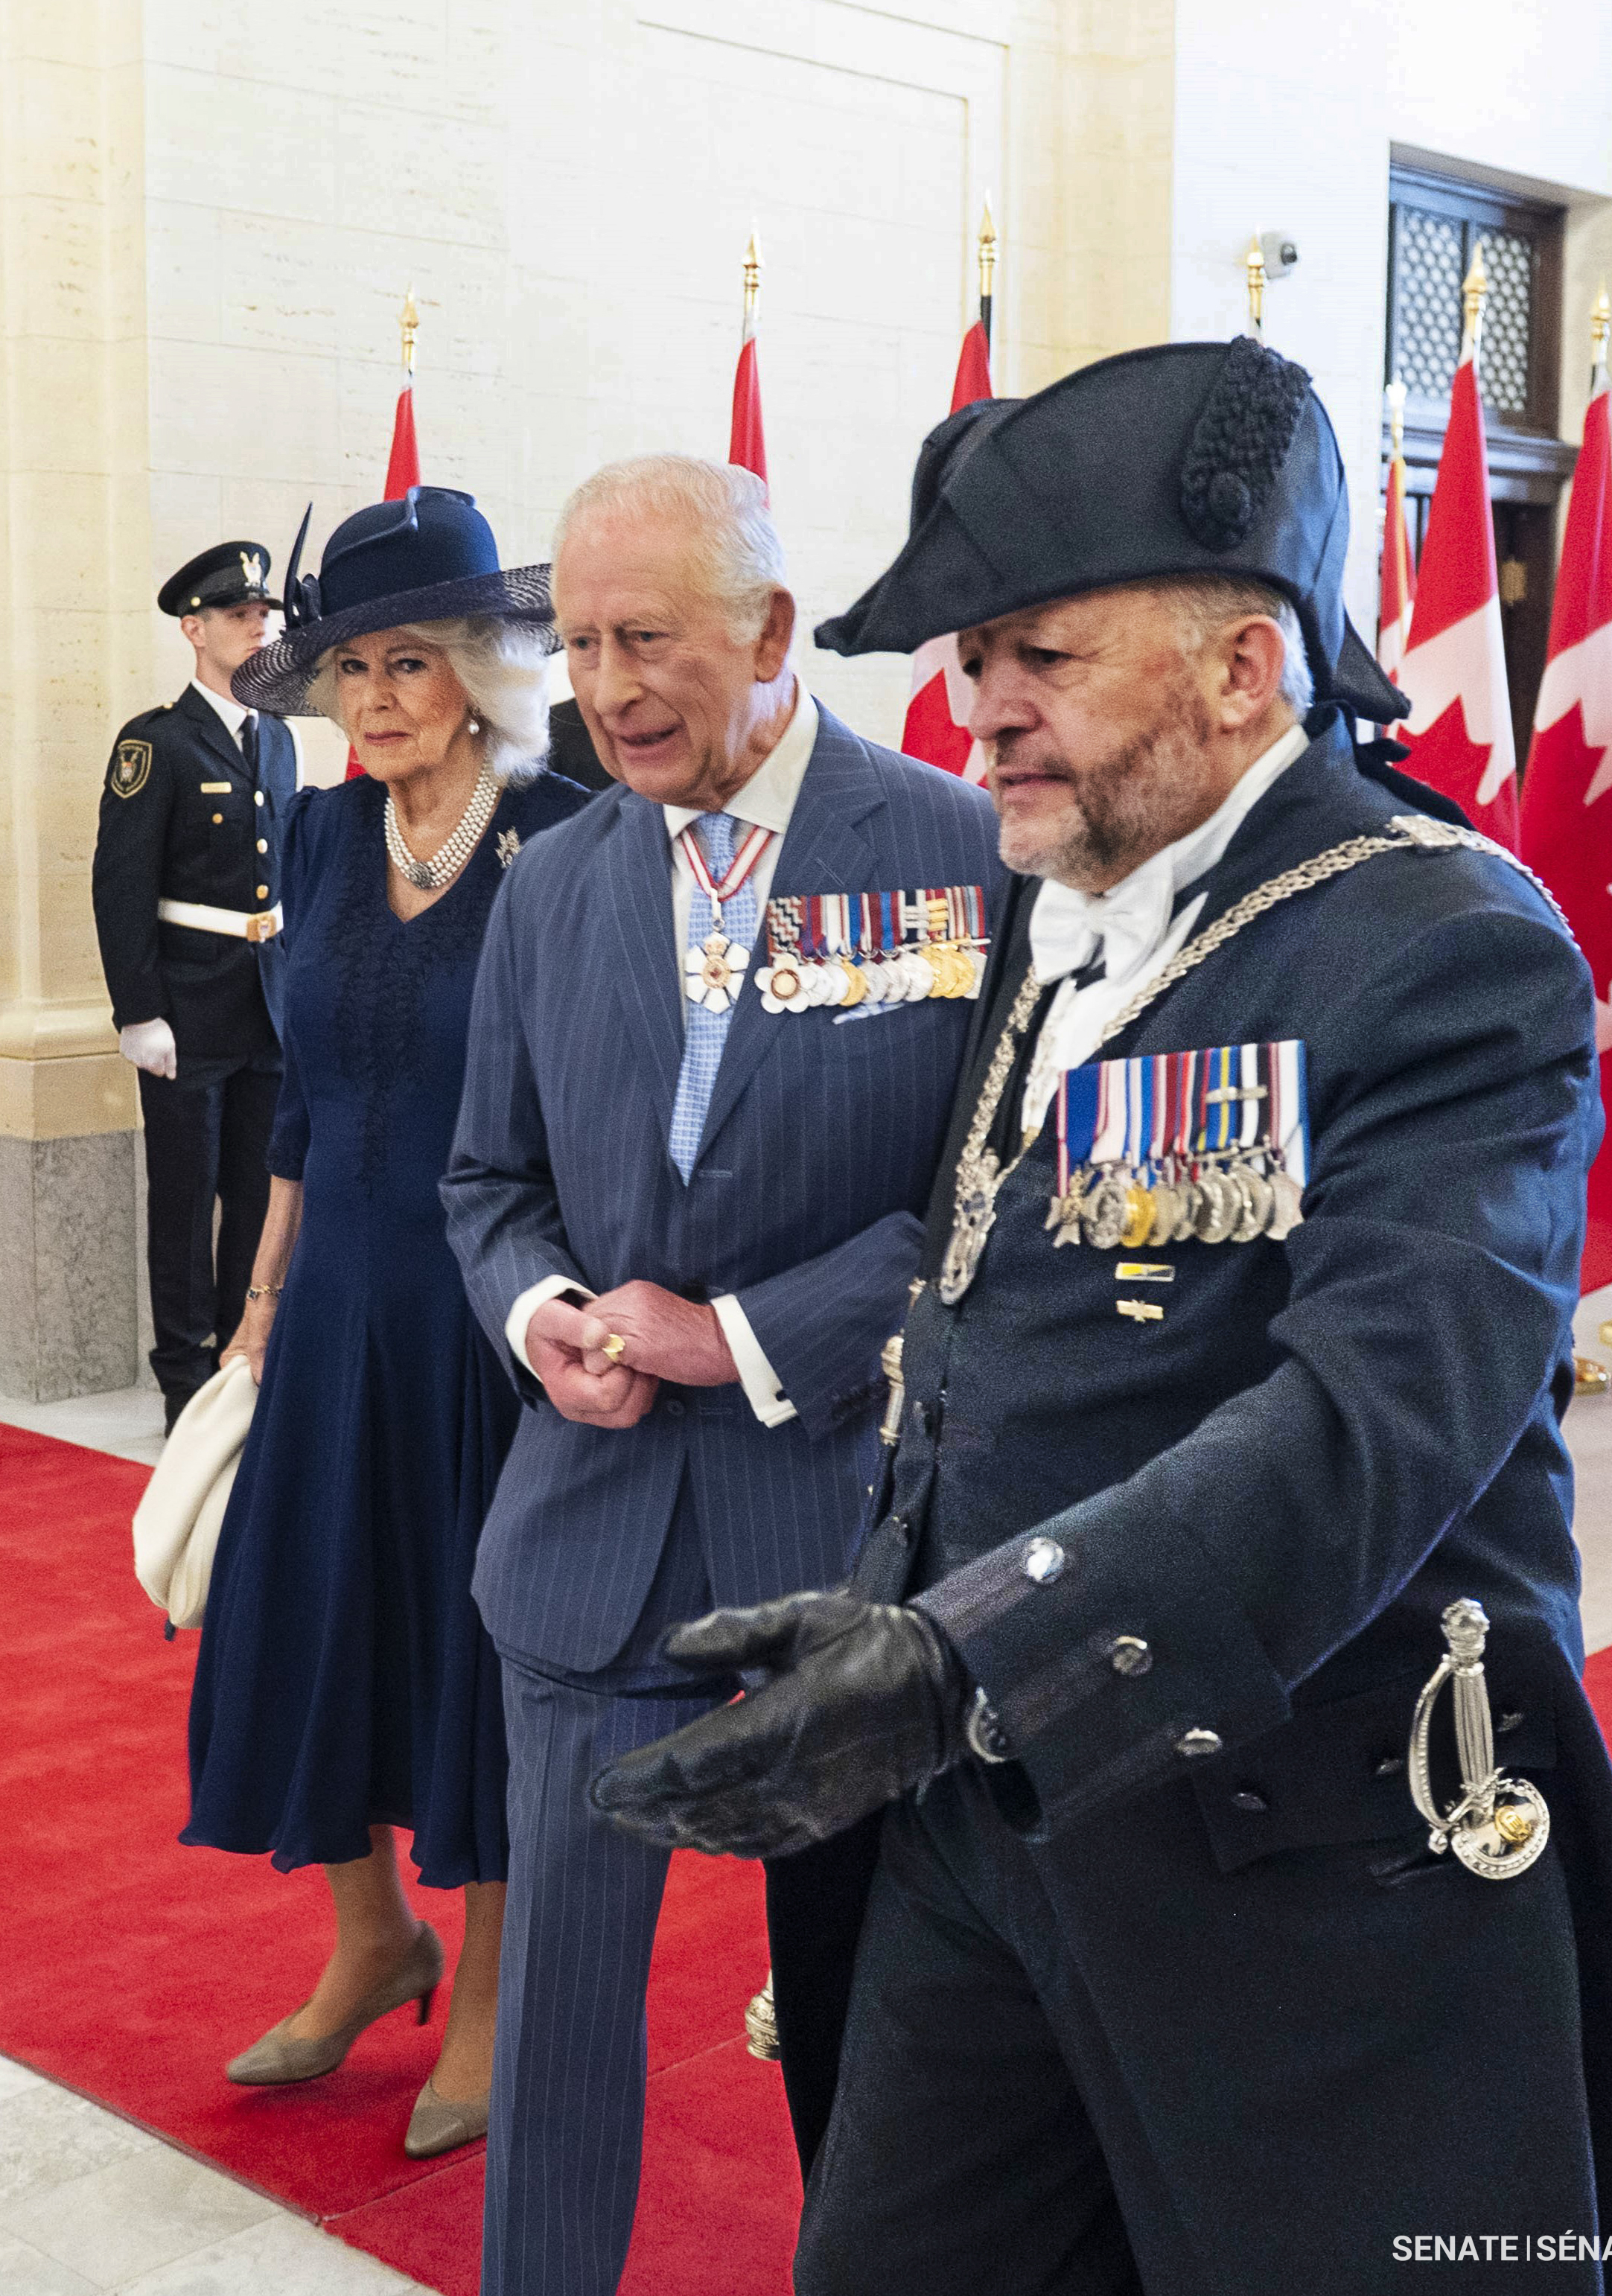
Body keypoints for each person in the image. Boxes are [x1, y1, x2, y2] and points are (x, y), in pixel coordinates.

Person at [591, 344, 1612, 2294]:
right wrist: (899, 1597)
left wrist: (966, 1648)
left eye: (1040, 660)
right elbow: (1018, 1312)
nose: (977, 713)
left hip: (1302, 1866)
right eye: (971, 658)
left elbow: (1365, 1429)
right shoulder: (1067, 906)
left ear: (1241, 667)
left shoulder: (1450, 943)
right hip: (986, 1842)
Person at [440, 452, 1003, 2296]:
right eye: (582, 645)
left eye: (647, 641)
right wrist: (544, 1321)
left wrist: (748, 1338)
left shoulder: (954, 849)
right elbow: (487, 1183)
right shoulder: (551, 882)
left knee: (869, 2039)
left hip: (852, 1545)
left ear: (769, 630)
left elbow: (984, 1208)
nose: (606, 689)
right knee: (562, 2030)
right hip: (587, 1544)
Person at [182, 485, 584, 2161]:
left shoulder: (566, 833)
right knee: (296, 1626)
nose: (376, 698)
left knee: (466, 1654)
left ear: (485, 668)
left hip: (487, 1324)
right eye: (350, 668)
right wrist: (256, 1316)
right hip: (333, 1304)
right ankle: (372, 1941)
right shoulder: (328, 837)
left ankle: (487, 1983)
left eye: (411, 662)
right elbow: (297, 1104)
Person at [92, 542, 299, 1430]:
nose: (259, 626)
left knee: (258, 1192)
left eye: (264, 614)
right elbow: (121, 882)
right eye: (240, 615)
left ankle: (237, 1356)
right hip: (185, 1004)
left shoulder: (280, 736)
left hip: (268, 1001)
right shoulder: (157, 742)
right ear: (194, 629)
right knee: (184, 1200)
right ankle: (182, 1381)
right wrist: (138, 1010)